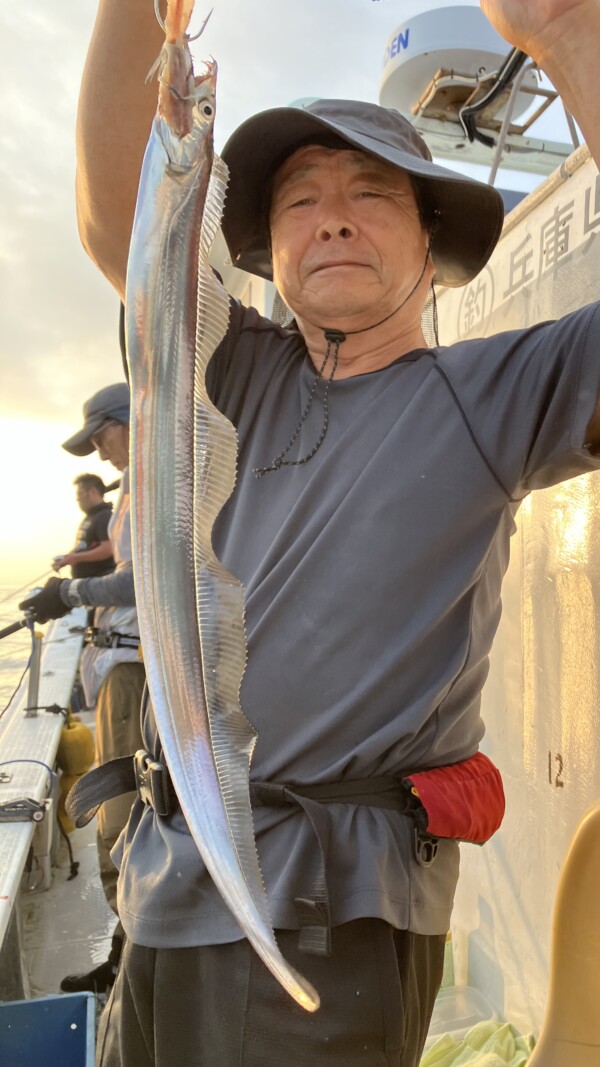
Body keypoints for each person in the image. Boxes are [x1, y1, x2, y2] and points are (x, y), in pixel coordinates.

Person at [73, 1, 600, 1065]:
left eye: (370, 193)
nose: (334, 217)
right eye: (302, 199)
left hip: (330, 915)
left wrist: (571, 36)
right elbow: (115, 218)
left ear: (430, 239)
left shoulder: (494, 392)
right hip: (171, 884)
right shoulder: (236, 370)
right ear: (269, 246)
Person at [20, 383, 145, 996]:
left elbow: (139, 581)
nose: (99, 450)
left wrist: (66, 593)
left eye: (102, 434)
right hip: (123, 667)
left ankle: (127, 964)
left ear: (128, 420)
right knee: (125, 816)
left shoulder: (150, 484)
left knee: (118, 817)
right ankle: (132, 953)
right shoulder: (143, 483)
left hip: (133, 671)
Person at [52, 473, 116, 580]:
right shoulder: (89, 518)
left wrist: (76, 558)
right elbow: (82, 547)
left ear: (93, 492)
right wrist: (65, 558)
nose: (77, 499)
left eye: (80, 494)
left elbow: (108, 548)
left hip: (97, 581)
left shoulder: (105, 516)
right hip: (82, 581)